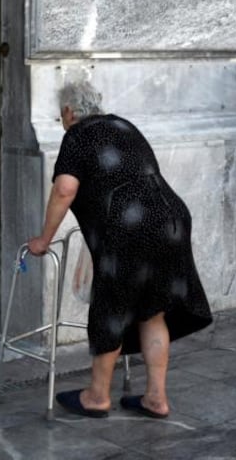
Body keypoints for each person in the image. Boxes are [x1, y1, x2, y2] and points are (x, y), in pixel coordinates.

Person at [27, 80, 212, 419]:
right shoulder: (124, 125)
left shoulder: (78, 135)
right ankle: (156, 398)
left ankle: (97, 396)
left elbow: (65, 190)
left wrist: (43, 239)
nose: (62, 121)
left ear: (69, 112)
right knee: (152, 310)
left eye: (61, 116)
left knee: (111, 306)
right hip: (171, 217)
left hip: (129, 223)